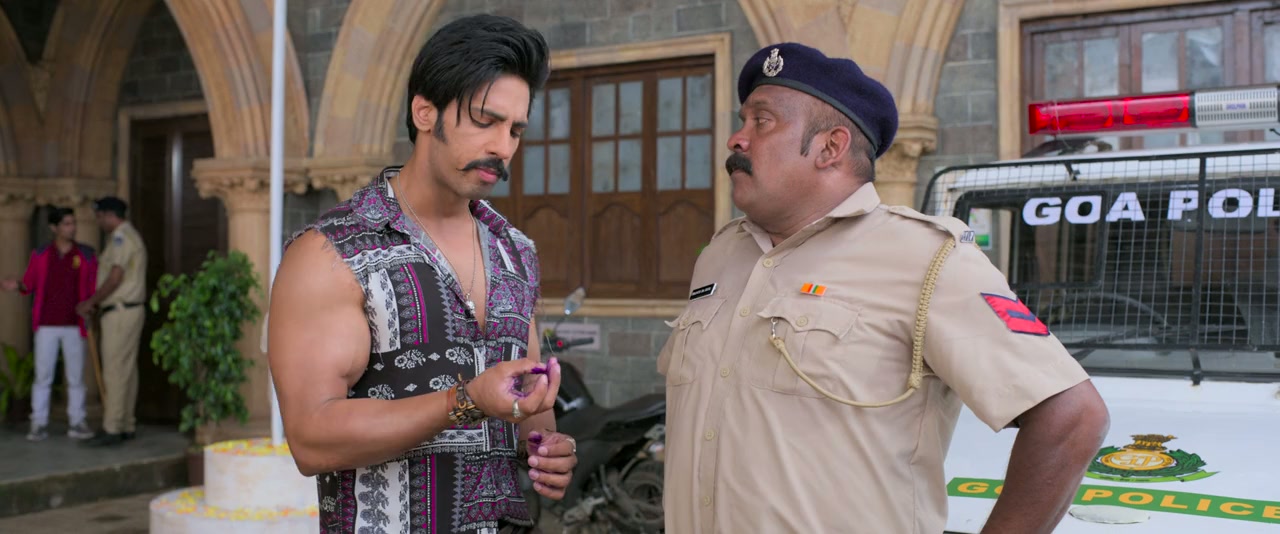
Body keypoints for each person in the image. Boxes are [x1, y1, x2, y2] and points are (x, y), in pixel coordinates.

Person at [657, 42, 1111, 533]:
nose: (737, 139)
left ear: (830, 147)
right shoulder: (721, 255)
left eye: (762, 121)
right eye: (742, 121)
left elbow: (1072, 417)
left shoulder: (926, 259)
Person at [268, 15, 576, 534]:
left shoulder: (516, 252)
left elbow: (526, 404)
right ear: (425, 112)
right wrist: (465, 401)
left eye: (515, 130)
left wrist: (549, 447)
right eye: (485, 121)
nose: (503, 147)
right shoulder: (331, 252)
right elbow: (312, 438)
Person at [1, 207, 98, 441]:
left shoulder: (86, 254)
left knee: (75, 377)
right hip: (46, 324)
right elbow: (30, 283)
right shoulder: (41, 253)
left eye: (73, 223)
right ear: (54, 228)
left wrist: (92, 307)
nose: (72, 228)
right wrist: (17, 285)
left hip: (75, 324)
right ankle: (38, 423)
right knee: (43, 376)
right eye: (66, 224)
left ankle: (77, 422)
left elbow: (94, 285)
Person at [77, 196, 147, 447]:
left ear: (109, 215)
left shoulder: (121, 238)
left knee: (115, 370)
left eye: (100, 217)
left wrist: (91, 301)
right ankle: (125, 423)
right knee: (126, 370)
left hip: (119, 311)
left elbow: (115, 277)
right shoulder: (129, 236)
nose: (98, 222)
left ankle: (113, 427)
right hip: (127, 311)